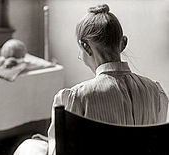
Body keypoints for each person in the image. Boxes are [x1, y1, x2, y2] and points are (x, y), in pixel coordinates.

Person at [14, 4, 168, 155]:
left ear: (86, 47)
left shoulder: (77, 97)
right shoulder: (156, 92)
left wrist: (50, 143)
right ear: (123, 43)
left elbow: (59, 151)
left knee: (29, 146)